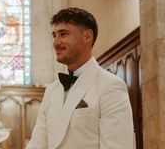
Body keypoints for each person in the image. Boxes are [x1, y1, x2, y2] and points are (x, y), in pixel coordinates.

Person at [26, 8, 135, 149]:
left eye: (63, 34)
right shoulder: (52, 90)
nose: (55, 42)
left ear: (87, 36)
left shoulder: (111, 86)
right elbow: (37, 144)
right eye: (54, 35)